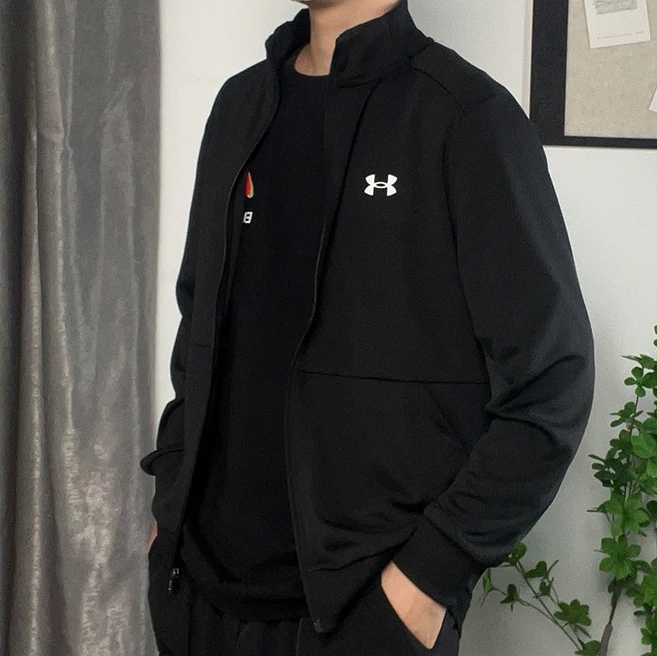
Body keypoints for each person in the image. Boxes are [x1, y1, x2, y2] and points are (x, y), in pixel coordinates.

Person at [140, 0, 596, 654]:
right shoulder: (240, 105)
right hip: (198, 597)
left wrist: (428, 577)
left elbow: (553, 383)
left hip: (360, 616)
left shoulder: (465, 115)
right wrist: (170, 509)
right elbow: (200, 330)